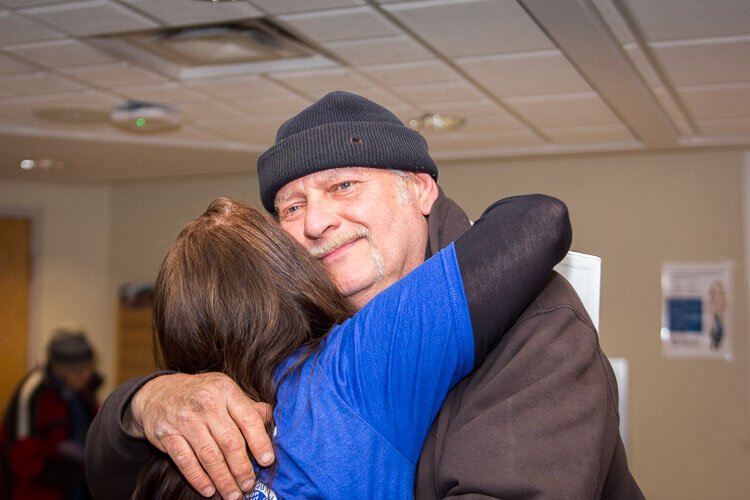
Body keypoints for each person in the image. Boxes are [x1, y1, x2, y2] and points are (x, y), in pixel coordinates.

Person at [86, 91, 643, 499]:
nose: (317, 222)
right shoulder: (289, 334)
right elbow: (112, 476)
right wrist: (147, 402)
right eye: (292, 207)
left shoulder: (537, 326)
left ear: (420, 190)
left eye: (343, 186)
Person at [129, 194, 568, 498]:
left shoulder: (167, 448)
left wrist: (144, 398)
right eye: (293, 210)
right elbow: (539, 219)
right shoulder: (350, 369)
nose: (315, 225)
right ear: (291, 278)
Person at [1, 327, 101, 500]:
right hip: (40, 493)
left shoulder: (84, 391)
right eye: (79, 370)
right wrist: (71, 470)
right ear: (59, 369)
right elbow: (24, 460)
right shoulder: (32, 394)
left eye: (89, 367)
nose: (88, 375)